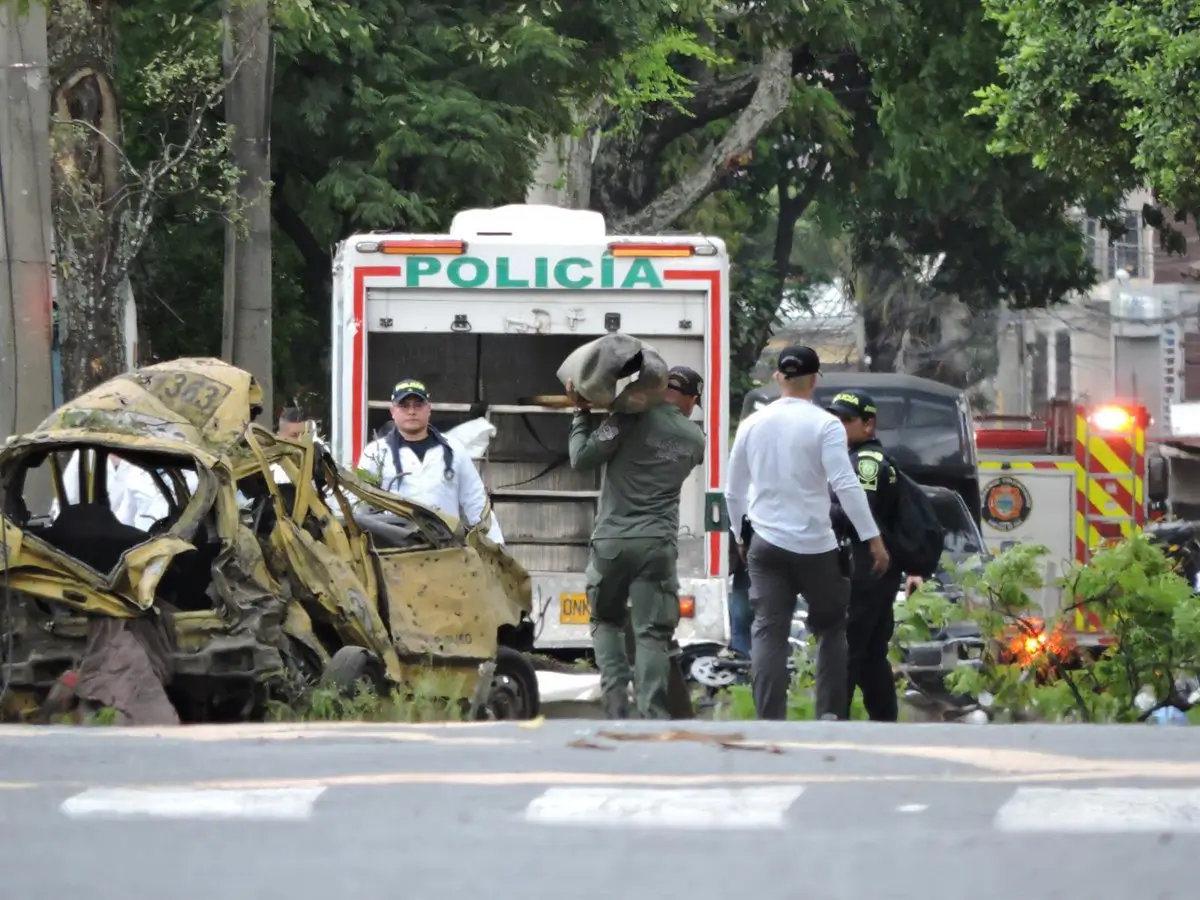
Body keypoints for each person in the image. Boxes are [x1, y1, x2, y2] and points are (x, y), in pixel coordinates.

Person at [725, 346, 889, 721]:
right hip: (816, 546)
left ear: (779, 377)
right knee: (831, 627)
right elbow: (845, 484)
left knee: (768, 630)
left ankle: (769, 719)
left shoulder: (752, 424)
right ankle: (828, 714)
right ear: (815, 380)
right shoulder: (825, 425)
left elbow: (733, 491)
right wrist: (873, 538)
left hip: (764, 544)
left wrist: (739, 536)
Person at [567, 366, 705, 719]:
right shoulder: (694, 438)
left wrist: (582, 415)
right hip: (656, 545)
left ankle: (614, 700)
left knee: (606, 621)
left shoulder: (627, 418)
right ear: (690, 399)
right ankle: (652, 714)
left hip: (612, 542)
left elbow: (582, 458)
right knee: (652, 635)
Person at [826, 389, 906, 722]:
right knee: (872, 654)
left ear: (868, 424)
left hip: (866, 569)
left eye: (847, 420)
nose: (839, 426)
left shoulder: (865, 464)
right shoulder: (855, 458)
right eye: (836, 420)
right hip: (873, 570)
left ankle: (835, 718)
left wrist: (820, 506)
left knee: (850, 648)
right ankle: (884, 723)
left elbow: (860, 514)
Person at [355, 379, 504, 546]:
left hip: (445, 548)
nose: (411, 411)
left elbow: (476, 503)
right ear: (393, 411)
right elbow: (358, 505)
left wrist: (496, 547)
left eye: (418, 405)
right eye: (404, 406)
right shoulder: (376, 452)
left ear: (428, 409)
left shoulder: (454, 450)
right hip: (394, 551)